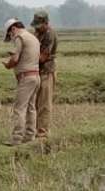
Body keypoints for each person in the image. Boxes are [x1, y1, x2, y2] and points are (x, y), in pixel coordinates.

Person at [2, 18, 41, 146]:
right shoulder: (33, 38)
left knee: (20, 108)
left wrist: (8, 65)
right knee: (31, 108)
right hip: (36, 76)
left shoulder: (20, 37)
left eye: (10, 34)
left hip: (26, 78)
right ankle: (30, 136)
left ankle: (17, 138)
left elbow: (15, 58)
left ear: (13, 29)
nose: (11, 37)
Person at [31, 10, 58, 139]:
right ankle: (34, 129)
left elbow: (43, 57)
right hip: (37, 71)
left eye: (39, 25)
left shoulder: (49, 34)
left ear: (46, 23)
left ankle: (43, 132)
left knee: (44, 104)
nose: (36, 28)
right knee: (35, 103)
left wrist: (26, 59)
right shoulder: (37, 33)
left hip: (47, 71)